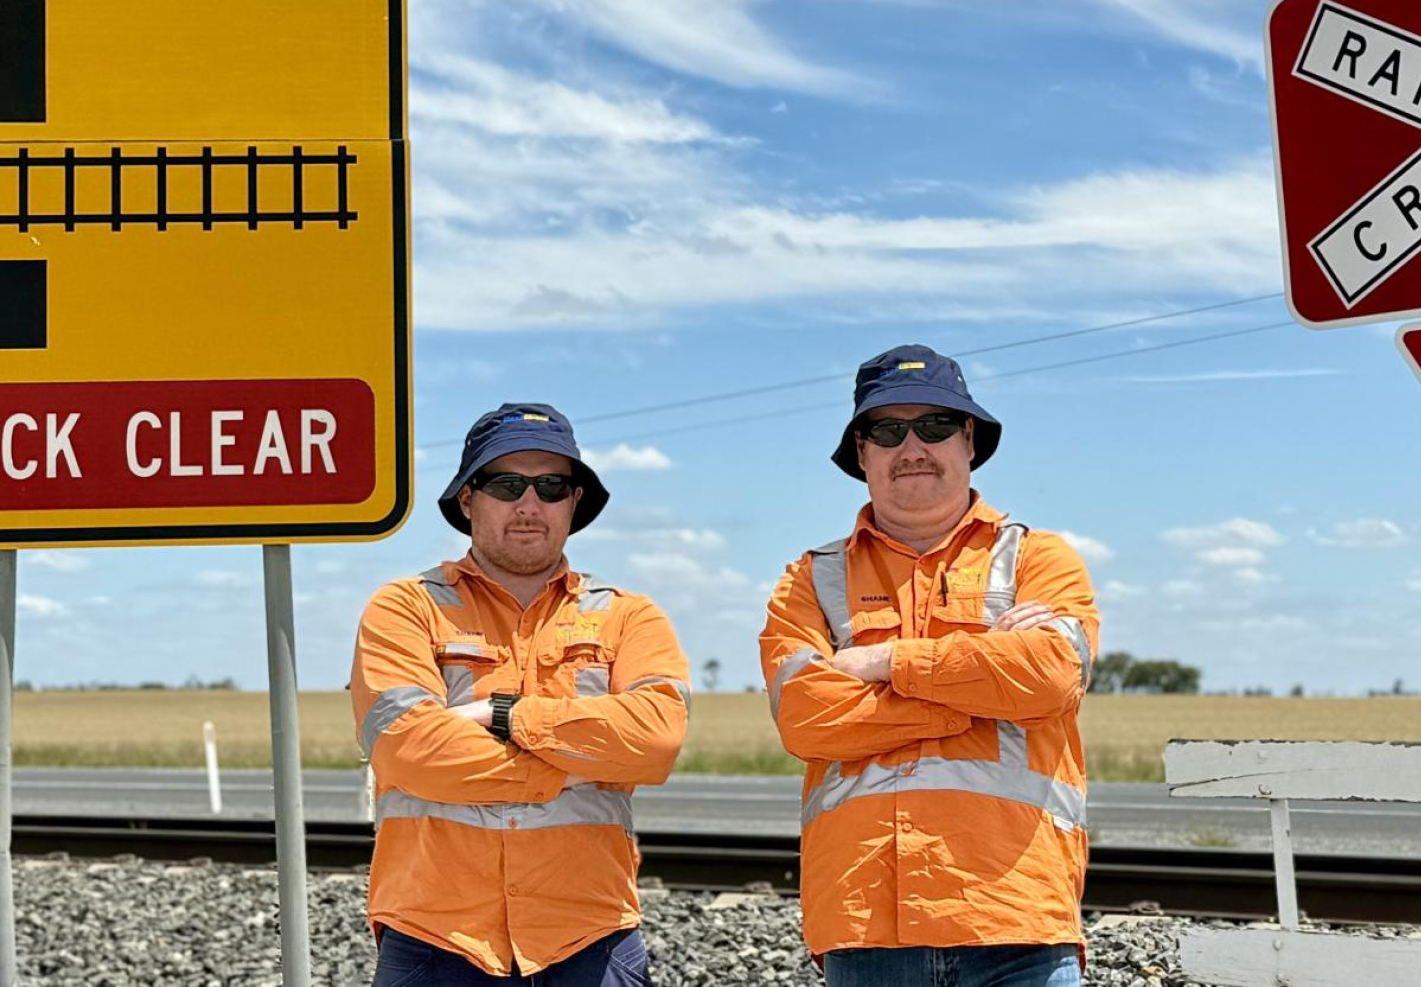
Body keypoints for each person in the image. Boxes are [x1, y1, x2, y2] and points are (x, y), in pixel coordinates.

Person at [759, 345, 1099, 986]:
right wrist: (987, 683)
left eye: (935, 425)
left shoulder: (1039, 559)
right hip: (866, 929)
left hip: (1015, 917)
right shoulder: (811, 579)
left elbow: (1050, 675)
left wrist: (886, 661)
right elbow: (808, 719)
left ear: (968, 439)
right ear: (862, 453)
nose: (912, 446)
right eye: (887, 430)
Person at [351, 403, 691, 985]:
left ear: (574, 502)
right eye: (507, 484)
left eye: (552, 486)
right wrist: (578, 764)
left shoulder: (628, 617)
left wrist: (505, 715)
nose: (529, 504)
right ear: (467, 499)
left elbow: (655, 740)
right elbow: (409, 751)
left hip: (590, 935)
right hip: (437, 937)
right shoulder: (406, 608)